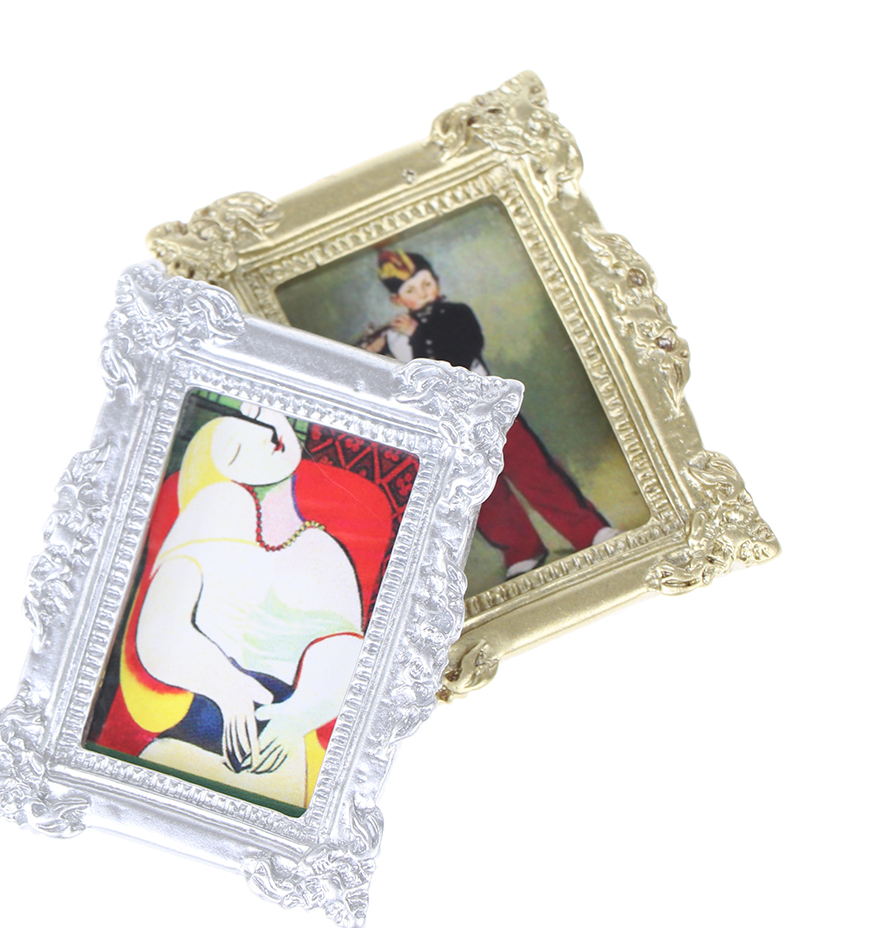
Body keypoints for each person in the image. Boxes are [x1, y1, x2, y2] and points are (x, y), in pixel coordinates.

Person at [130, 402, 364, 809]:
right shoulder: (208, 520)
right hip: (200, 727)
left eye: (266, 428)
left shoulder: (323, 547)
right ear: (224, 474)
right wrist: (227, 685)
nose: (267, 437)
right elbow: (160, 632)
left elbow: (347, 648)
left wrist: (299, 715)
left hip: (279, 744)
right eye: (238, 448)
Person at [368, 249, 617, 577]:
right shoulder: (393, 334)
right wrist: (374, 350)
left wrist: (417, 334)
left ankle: (589, 530)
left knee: (534, 472)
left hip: (488, 411)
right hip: (447, 428)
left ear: (437, 281)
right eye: (411, 290)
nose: (423, 293)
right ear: (397, 300)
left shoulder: (456, 315)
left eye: (426, 283)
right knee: (482, 495)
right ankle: (521, 549)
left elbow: (456, 359)